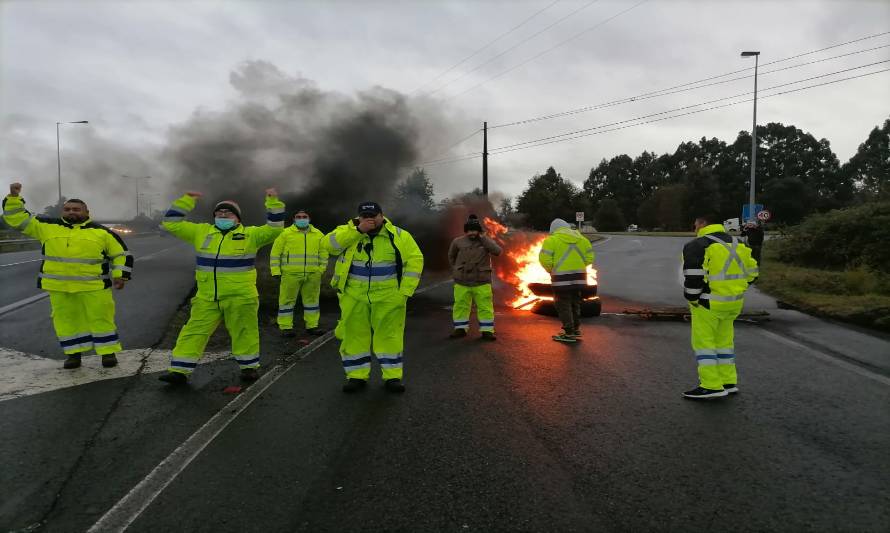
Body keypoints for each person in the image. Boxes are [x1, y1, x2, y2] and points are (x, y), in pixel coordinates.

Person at [157, 188, 285, 384]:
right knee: (193, 332)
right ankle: (179, 371)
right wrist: (186, 202)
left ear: (238, 218)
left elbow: (275, 228)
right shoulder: (201, 232)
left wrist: (273, 202)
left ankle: (249, 368)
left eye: (228, 213)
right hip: (207, 297)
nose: (223, 215)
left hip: (240, 297)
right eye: (219, 212)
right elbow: (170, 224)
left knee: (244, 332)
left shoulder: (251, 235)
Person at [2, 182, 132, 369]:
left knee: (101, 319)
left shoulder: (102, 232)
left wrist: (121, 275)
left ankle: (107, 354)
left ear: (87, 212)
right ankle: (73, 355)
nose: (72, 212)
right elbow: (17, 219)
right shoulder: (46, 226)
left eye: (77, 209)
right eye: (68, 209)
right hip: (59, 288)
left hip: (94, 286)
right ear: (62, 212)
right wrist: (14, 198)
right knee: (66, 322)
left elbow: (122, 255)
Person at [324, 201, 423, 393]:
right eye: (365, 216)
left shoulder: (400, 235)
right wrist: (357, 231)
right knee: (353, 335)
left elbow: (415, 261)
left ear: (382, 215)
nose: (370, 219)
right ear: (359, 217)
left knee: (389, 336)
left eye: (374, 216)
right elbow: (329, 246)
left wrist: (404, 292)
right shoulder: (347, 231)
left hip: (389, 296)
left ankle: (392, 377)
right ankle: (356, 377)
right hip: (353, 295)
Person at [682, 213, 759, 400]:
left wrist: (692, 299)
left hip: (708, 303)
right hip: (734, 302)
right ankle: (728, 382)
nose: (694, 230)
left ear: (702, 223)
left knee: (704, 344)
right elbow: (753, 273)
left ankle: (711, 386)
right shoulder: (739, 244)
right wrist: (734, 290)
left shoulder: (697, 246)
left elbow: (693, 277)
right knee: (724, 343)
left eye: (695, 225)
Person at [270, 209, 328, 337]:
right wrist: (275, 271)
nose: (302, 219)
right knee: (287, 301)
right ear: (294, 219)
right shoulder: (285, 233)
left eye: (304, 216)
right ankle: (285, 327)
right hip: (290, 274)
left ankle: (312, 326)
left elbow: (324, 253)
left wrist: (321, 269)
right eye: (298, 217)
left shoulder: (318, 234)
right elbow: (275, 253)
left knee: (312, 301)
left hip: (312, 275)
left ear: (309, 219)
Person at [539, 218, 595, 344]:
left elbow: (544, 259)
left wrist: (552, 270)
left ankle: (569, 333)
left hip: (560, 279)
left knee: (563, 305)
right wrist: (579, 267)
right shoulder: (583, 239)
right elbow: (590, 258)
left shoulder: (551, 240)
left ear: (553, 230)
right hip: (580, 278)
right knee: (575, 303)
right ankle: (575, 329)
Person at [448, 214, 501, 340]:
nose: (472, 233)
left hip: (481, 281)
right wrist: (457, 269)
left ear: (479, 230)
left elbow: (497, 251)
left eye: (475, 230)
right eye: (470, 230)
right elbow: (451, 256)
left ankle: (487, 331)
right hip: (462, 281)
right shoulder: (457, 242)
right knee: (460, 306)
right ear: (466, 231)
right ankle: (460, 329)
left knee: (485, 307)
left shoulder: (485, 241)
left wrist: (484, 238)